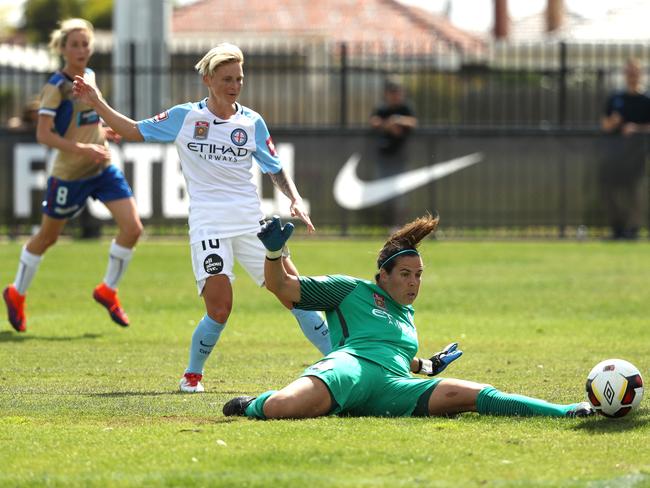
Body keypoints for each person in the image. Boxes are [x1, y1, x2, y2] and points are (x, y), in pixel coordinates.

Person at [72, 42, 331, 393]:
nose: (234, 85)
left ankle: (338, 362)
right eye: (227, 78)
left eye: (239, 78)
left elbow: (275, 168)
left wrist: (295, 199)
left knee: (295, 293)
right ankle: (192, 375)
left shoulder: (251, 122)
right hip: (209, 225)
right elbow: (133, 129)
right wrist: (98, 101)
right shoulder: (185, 117)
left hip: (251, 224)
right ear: (208, 79)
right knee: (220, 308)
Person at [223, 213, 594, 420]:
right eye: (405, 274)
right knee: (284, 409)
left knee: (474, 394)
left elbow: (396, 354)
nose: (414, 282)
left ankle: (566, 411)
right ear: (382, 275)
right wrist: (273, 254)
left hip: (394, 386)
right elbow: (282, 288)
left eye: (418, 275)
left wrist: (427, 367)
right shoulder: (350, 289)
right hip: (348, 368)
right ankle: (254, 403)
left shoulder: (407, 315)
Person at [3, 18, 142, 333]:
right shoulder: (57, 86)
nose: (81, 49)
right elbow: (44, 135)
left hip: (101, 167)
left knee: (133, 229)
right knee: (48, 237)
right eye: (75, 44)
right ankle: (16, 292)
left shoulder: (89, 76)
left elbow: (85, 119)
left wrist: (103, 132)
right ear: (62, 48)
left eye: (86, 44)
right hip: (69, 175)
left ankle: (107, 290)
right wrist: (83, 148)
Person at [600, 58, 650, 240]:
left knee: (635, 194)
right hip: (614, 155)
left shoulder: (646, 100)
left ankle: (632, 230)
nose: (632, 76)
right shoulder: (615, 98)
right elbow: (604, 125)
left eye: (635, 72)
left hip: (638, 156)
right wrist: (613, 122)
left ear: (641, 74)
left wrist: (637, 128)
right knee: (610, 191)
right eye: (629, 72)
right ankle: (617, 229)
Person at [369, 80, 418, 227]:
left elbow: (413, 122)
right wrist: (388, 126)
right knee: (384, 194)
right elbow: (373, 121)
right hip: (384, 159)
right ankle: (386, 225)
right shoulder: (381, 108)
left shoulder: (405, 108)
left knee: (401, 196)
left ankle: (400, 226)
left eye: (398, 92)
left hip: (400, 159)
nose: (396, 96)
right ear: (387, 94)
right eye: (393, 92)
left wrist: (398, 121)